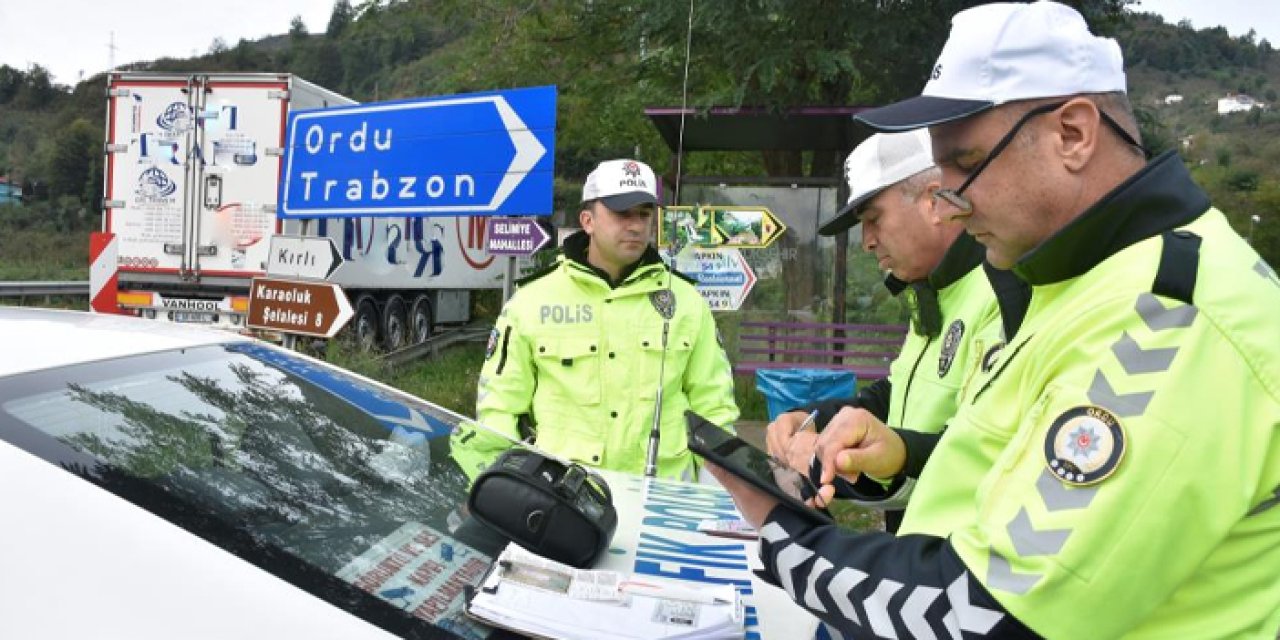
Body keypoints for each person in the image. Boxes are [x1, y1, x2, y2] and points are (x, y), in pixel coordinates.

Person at [708, 2, 1280, 637]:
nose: (948, 204)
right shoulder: (1080, 282)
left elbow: (989, 611)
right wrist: (892, 455)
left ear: (1073, 134)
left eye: (965, 163)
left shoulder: (1169, 316)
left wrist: (784, 534)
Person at [764, 129, 1023, 533]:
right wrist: (814, 419)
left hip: (967, 558)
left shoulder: (1006, 291)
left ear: (934, 200)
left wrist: (900, 453)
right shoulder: (931, 291)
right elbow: (896, 393)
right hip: (916, 546)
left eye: (874, 219)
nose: (867, 242)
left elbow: (994, 451)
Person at [454, 158, 740, 482]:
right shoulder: (532, 302)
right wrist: (501, 489)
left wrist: (714, 500)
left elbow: (715, 409)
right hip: (564, 500)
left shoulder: (686, 302)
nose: (635, 225)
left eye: (644, 214)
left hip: (663, 501)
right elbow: (499, 408)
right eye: (622, 213)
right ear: (587, 221)